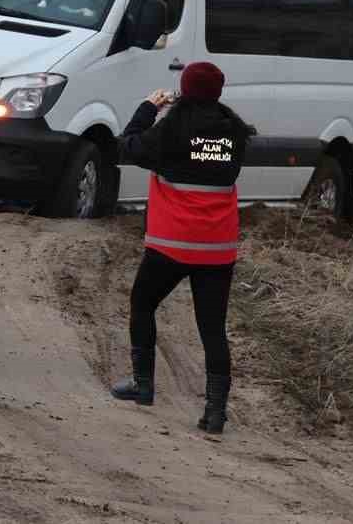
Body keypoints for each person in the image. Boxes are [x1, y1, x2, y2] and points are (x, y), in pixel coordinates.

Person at [109, 62, 256, 437]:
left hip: (171, 243)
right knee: (212, 329)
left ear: (184, 89)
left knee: (143, 304)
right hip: (217, 248)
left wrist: (149, 107)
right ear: (218, 92)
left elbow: (128, 145)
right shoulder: (235, 132)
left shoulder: (172, 128)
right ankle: (215, 412)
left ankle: (143, 385)